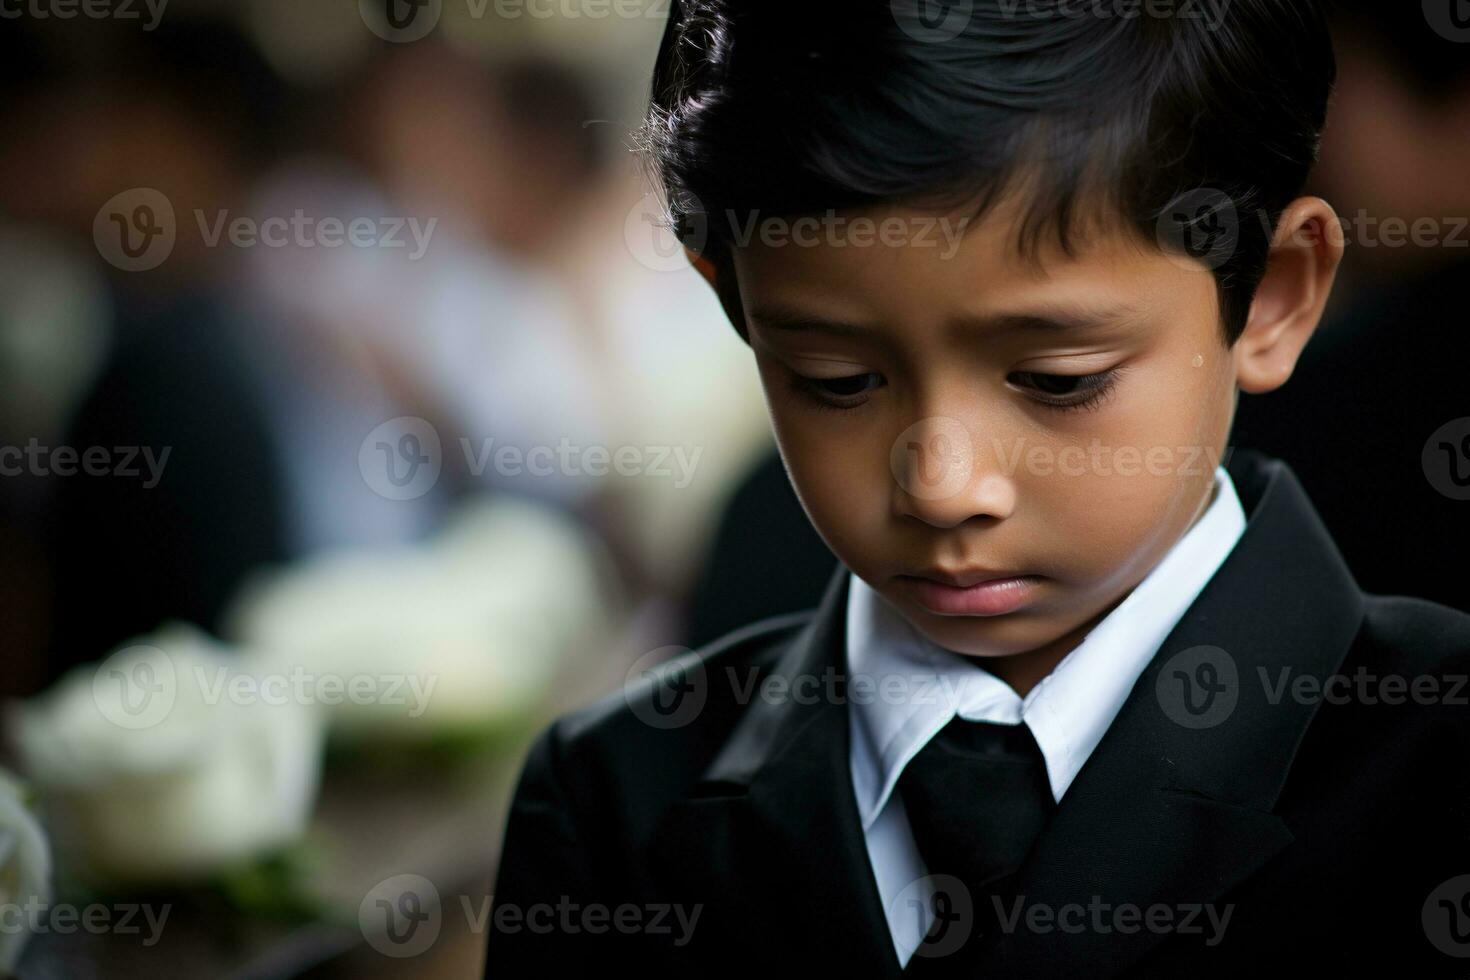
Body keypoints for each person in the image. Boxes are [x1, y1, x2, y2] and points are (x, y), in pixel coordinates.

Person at [483, 1, 1470, 974]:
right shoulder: (611, 798)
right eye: (836, 381)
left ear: (1271, 296)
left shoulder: (1432, 763)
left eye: (1058, 380)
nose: (942, 485)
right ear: (736, 303)